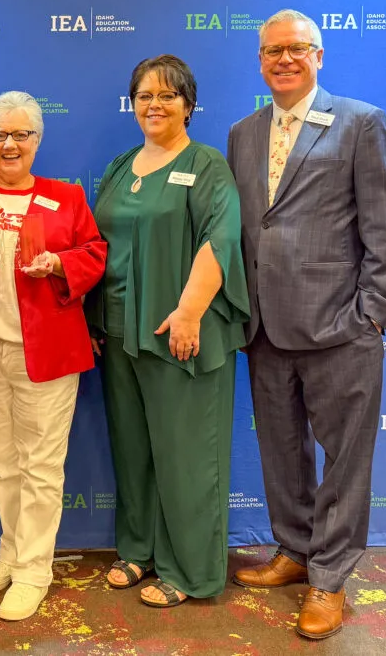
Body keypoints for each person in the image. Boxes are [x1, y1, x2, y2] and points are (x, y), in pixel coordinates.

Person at [227, 9, 386, 640]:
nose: (283, 59)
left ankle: (329, 578)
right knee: (281, 453)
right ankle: (294, 551)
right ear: (259, 60)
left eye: (296, 49)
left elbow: (385, 229)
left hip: (341, 329)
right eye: (272, 51)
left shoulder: (361, 123)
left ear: (319, 56)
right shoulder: (243, 133)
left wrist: (372, 317)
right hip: (265, 329)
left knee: (345, 460)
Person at [0, 92, 106, 620]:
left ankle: (33, 570)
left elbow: (95, 254)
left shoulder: (66, 197)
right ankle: (11, 552)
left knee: (42, 467)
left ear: (37, 140)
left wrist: (59, 264)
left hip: (49, 353)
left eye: (21, 134)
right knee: (3, 465)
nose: (11, 144)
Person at [88, 55, 249, 609]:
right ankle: (138, 550)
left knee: (186, 457)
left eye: (167, 95)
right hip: (119, 336)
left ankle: (191, 571)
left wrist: (188, 311)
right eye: (143, 96)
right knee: (133, 452)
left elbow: (220, 239)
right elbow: (99, 246)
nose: (154, 105)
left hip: (183, 335)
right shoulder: (120, 165)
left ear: (189, 103)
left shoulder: (207, 166)